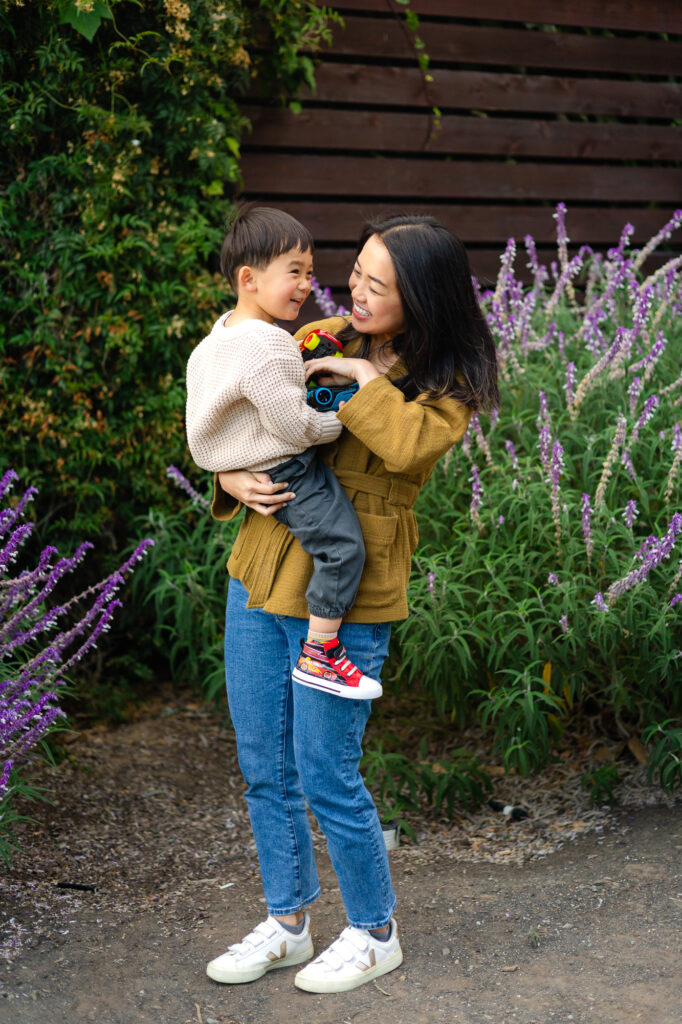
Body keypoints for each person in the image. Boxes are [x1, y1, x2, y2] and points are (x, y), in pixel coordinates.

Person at [205, 214, 500, 994]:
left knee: (325, 772)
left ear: (424, 299)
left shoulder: (447, 386)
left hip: (351, 594)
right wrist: (228, 478)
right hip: (261, 569)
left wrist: (367, 381)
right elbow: (243, 410)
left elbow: (405, 448)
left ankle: (374, 932)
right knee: (264, 765)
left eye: (379, 285)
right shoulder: (318, 336)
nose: (353, 293)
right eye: (357, 273)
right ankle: (289, 920)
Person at [186, 206, 381, 700]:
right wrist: (344, 418)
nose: (305, 285)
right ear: (249, 278)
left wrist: (227, 468)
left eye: (310, 273)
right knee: (340, 547)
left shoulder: (217, 337)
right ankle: (322, 653)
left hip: (248, 464)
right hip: (287, 467)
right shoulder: (271, 344)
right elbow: (295, 428)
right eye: (294, 271)